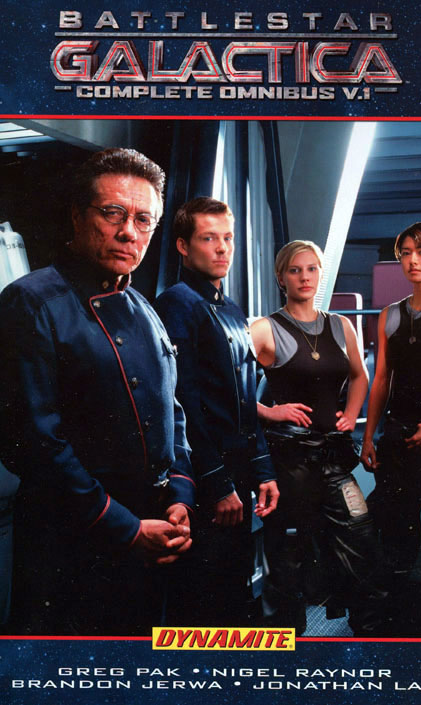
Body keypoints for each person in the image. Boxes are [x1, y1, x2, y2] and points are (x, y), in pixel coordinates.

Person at [0, 148, 195, 636]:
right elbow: (34, 441)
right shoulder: (31, 301)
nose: (129, 231)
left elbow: (172, 411)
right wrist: (123, 527)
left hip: (153, 528)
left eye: (143, 219)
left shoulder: (144, 308)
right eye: (113, 213)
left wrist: (180, 495)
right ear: (76, 215)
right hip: (73, 535)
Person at [154, 197, 279, 626]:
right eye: (209, 238)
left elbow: (243, 400)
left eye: (228, 238)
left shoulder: (231, 307)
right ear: (183, 246)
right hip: (206, 478)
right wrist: (217, 482)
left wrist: (263, 470)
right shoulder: (176, 304)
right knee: (204, 598)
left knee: (233, 587)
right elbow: (183, 403)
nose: (223, 248)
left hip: (238, 472)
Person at [251, 239, 386, 635]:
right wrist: (269, 411)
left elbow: (360, 375)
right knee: (288, 562)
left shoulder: (340, 325)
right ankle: (284, 654)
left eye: (312, 269)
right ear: (281, 278)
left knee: (363, 547)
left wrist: (352, 413)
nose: (305, 277)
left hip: (333, 460)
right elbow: (223, 384)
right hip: (289, 464)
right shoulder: (264, 328)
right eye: (295, 270)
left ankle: (371, 646)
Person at [361, 222, 421, 591]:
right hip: (399, 440)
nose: (413, 260)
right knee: (394, 541)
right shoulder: (390, 315)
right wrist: (369, 436)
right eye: (406, 253)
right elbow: (381, 380)